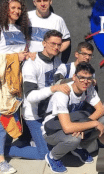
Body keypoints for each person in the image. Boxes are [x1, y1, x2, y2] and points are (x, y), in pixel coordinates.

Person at [0, 0, 30, 174]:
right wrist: (15, 58)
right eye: (13, 7)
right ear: (5, 9)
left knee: (12, 114)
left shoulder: (20, 29)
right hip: (4, 78)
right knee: (3, 116)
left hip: (18, 78)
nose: (17, 11)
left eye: (19, 8)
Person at [42, 62, 104, 173]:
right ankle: (52, 157)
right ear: (74, 77)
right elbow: (67, 128)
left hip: (74, 122)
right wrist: (93, 123)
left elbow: (101, 109)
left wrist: (82, 127)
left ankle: (79, 147)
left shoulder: (88, 88)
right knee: (74, 138)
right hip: (52, 129)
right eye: (81, 77)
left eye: (88, 78)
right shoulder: (63, 94)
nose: (85, 81)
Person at [21, 30, 70, 162]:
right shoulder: (32, 63)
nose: (56, 47)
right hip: (34, 115)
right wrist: (53, 88)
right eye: (52, 43)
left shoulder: (57, 61)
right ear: (44, 43)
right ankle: (5, 149)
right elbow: (30, 96)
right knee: (44, 154)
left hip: (48, 114)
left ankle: (34, 141)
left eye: (59, 45)